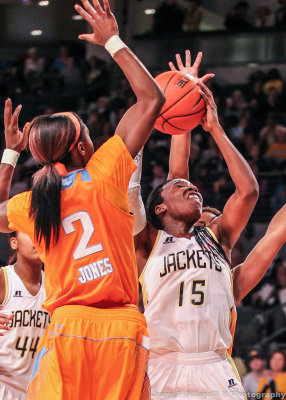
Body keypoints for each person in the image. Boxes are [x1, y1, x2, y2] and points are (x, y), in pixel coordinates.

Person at [0, 0, 165, 399]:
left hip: (67, 326)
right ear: (79, 146)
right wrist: (113, 42)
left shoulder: (33, 202)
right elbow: (151, 100)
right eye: (89, 134)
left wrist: (10, 155)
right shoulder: (105, 171)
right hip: (121, 327)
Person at [134, 52, 259, 399]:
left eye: (193, 189)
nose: (192, 189)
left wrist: (213, 126)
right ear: (159, 207)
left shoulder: (218, 237)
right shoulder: (149, 241)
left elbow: (248, 192)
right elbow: (177, 173)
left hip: (215, 367)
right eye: (179, 189)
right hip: (161, 364)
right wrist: (181, 109)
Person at [0, 99, 48, 400]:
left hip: (38, 390)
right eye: (26, 230)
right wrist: (12, 152)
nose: (35, 235)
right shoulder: (4, 279)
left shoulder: (57, 283)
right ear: (13, 240)